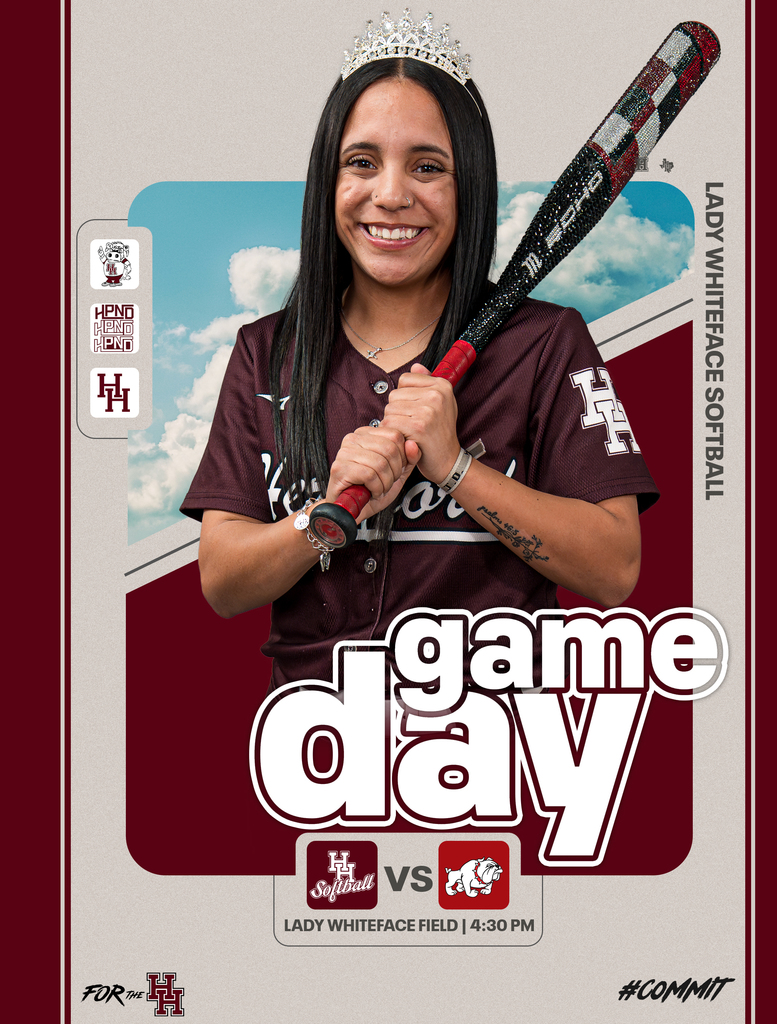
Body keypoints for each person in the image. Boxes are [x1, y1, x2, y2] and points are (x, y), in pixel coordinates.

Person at [180, 9, 659, 691]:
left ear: (469, 185)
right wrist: (326, 519)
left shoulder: (547, 343)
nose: (391, 195)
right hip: (314, 756)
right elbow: (223, 583)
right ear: (328, 181)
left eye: (428, 166)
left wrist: (456, 467)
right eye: (361, 162)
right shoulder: (266, 351)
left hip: (497, 756)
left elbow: (613, 570)